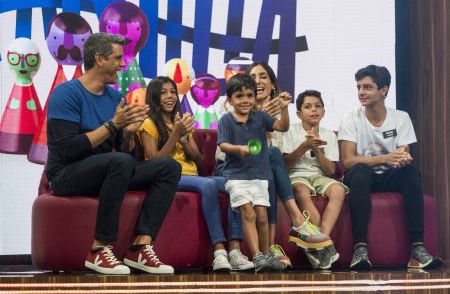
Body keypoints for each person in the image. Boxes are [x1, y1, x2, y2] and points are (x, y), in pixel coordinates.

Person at [46, 33, 181, 275]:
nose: (122, 64)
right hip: (67, 174)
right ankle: (99, 250)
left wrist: (128, 133)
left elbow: (123, 151)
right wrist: (112, 125)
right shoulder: (65, 93)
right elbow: (68, 150)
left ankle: (140, 246)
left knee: (169, 168)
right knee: (119, 161)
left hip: (106, 170)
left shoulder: (116, 98)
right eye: (118, 58)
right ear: (99, 59)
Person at [137, 76, 254, 272]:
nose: (170, 96)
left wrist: (183, 140)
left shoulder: (182, 122)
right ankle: (218, 251)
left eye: (173, 92)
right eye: (164, 92)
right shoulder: (149, 124)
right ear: (154, 97)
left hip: (193, 176)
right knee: (207, 185)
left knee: (237, 183)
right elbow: (155, 162)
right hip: (167, 178)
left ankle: (234, 249)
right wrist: (175, 135)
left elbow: (200, 164)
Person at [218, 73, 331, 272]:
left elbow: (282, 126)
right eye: (239, 96)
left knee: (262, 216)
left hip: (260, 175)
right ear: (229, 100)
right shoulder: (226, 120)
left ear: (254, 96)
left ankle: (267, 254)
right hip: (236, 176)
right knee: (248, 213)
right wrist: (240, 149)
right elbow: (224, 145)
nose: (245, 100)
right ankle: (257, 256)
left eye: (249, 95)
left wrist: (285, 108)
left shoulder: (260, 117)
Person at [338, 65, 443, 270]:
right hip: (361, 177)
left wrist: (402, 160)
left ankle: (418, 250)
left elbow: (402, 155)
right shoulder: (351, 117)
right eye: (359, 87)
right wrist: (387, 157)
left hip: (388, 175)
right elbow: (348, 161)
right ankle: (360, 249)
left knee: (411, 173)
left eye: (367, 87)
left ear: (384, 90)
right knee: (359, 171)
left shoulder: (400, 118)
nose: (361, 92)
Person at [283, 90, 348, 269]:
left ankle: (320, 245)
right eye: (308, 106)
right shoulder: (289, 131)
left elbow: (330, 171)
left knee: (339, 189)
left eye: (318, 106)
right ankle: (325, 247)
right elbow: (285, 165)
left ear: (324, 112)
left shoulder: (329, 135)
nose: (314, 110)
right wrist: (305, 146)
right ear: (299, 113)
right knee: (301, 191)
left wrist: (317, 150)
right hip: (296, 175)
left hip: (320, 177)